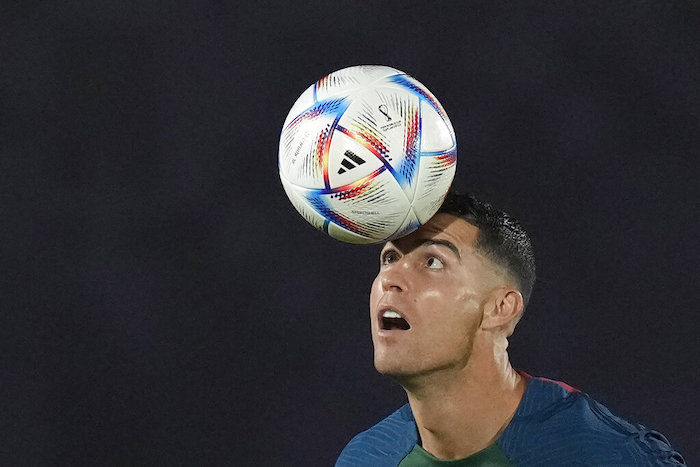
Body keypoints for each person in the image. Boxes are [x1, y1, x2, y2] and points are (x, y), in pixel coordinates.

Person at [335, 192, 685, 466]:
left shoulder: (608, 456)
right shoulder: (366, 457)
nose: (390, 279)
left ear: (500, 309)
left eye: (433, 261)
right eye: (390, 258)